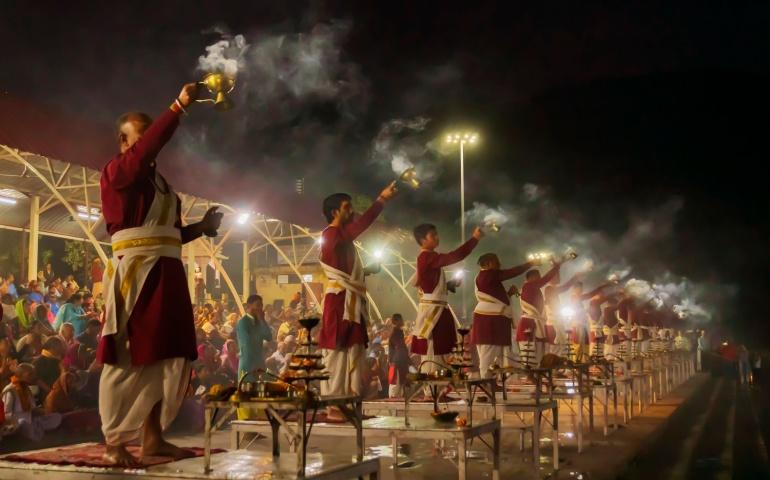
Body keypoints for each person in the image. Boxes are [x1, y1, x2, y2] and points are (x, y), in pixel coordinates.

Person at [96, 83, 224, 466]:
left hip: (168, 275)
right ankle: (114, 442)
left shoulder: (162, 186)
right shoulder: (118, 171)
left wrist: (200, 227)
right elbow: (144, 155)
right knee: (129, 357)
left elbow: (169, 236)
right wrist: (180, 105)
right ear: (124, 140)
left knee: (169, 355)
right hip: (137, 278)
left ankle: (154, 437)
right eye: (143, 132)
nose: (151, 139)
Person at [318, 183, 397, 418]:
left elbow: (345, 269)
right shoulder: (331, 234)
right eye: (347, 208)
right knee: (337, 352)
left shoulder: (342, 238)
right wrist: (381, 200)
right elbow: (359, 227)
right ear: (335, 212)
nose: (352, 212)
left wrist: (366, 271)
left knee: (353, 350)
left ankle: (349, 402)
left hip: (350, 301)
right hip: (339, 302)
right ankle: (334, 405)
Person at [411, 223, 482, 373]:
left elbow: (429, 285)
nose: (437, 237)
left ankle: (438, 389)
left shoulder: (428, 258)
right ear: (423, 240)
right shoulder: (427, 257)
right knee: (434, 350)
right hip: (433, 312)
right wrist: (474, 239)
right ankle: (432, 390)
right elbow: (455, 256)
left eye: (437, 234)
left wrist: (448, 285)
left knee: (440, 349)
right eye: (433, 235)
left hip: (438, 308)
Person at [471, 253, 532, 377]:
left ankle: (491, 382)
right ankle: (486, 382)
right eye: (496, 262)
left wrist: (508, 294)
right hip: (489, 321)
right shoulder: (488, 274)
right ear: (487, 264)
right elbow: (511, 272)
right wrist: (530, 264)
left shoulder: (486, 277)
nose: (499, 264)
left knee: (496, 354)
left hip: (493, 320)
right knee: (488, 353)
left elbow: (495, 298)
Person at [516, 260, 561, 366]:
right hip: (528, 323)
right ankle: (530, 376)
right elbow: (546, 279)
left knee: (539, 353)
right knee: (529, 353)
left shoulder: (533, 288)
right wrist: (556, 267)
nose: (540, 279)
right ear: (531, 278)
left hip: (537, 323)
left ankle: (537, 375)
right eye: (538, 277)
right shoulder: (528, 286)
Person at [2, 363, 62, 441]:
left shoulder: (27, 389)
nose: (33, 377)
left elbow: (33, 409)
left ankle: (35, 433)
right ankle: (35, 437)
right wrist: (21, 419)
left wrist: (45, 411)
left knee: (56, 416)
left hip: (31, 421)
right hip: (17, 423)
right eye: (30, 374)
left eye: (34, 374)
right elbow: (6, 414)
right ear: (20, 375)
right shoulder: (10, 390)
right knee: (23, 423)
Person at [236, 295, 273, 380]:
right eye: (258, 305)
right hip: (248, 364)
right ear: (248, 306)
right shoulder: (243, 323)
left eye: (261, 305)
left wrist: (262, 320)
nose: (260, 308)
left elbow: (269, 337)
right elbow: (247, 344)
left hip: (259, 363)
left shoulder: (260, 321)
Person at [387, 314, 410, 397]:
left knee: (400, 386)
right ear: (396, 321)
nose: (403, 321)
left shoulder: (399, 332)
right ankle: (391, 407)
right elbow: (399, 347)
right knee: (395, 386)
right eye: (401, 319)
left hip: (401, 362)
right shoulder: (395, 333)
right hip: (396, 363)